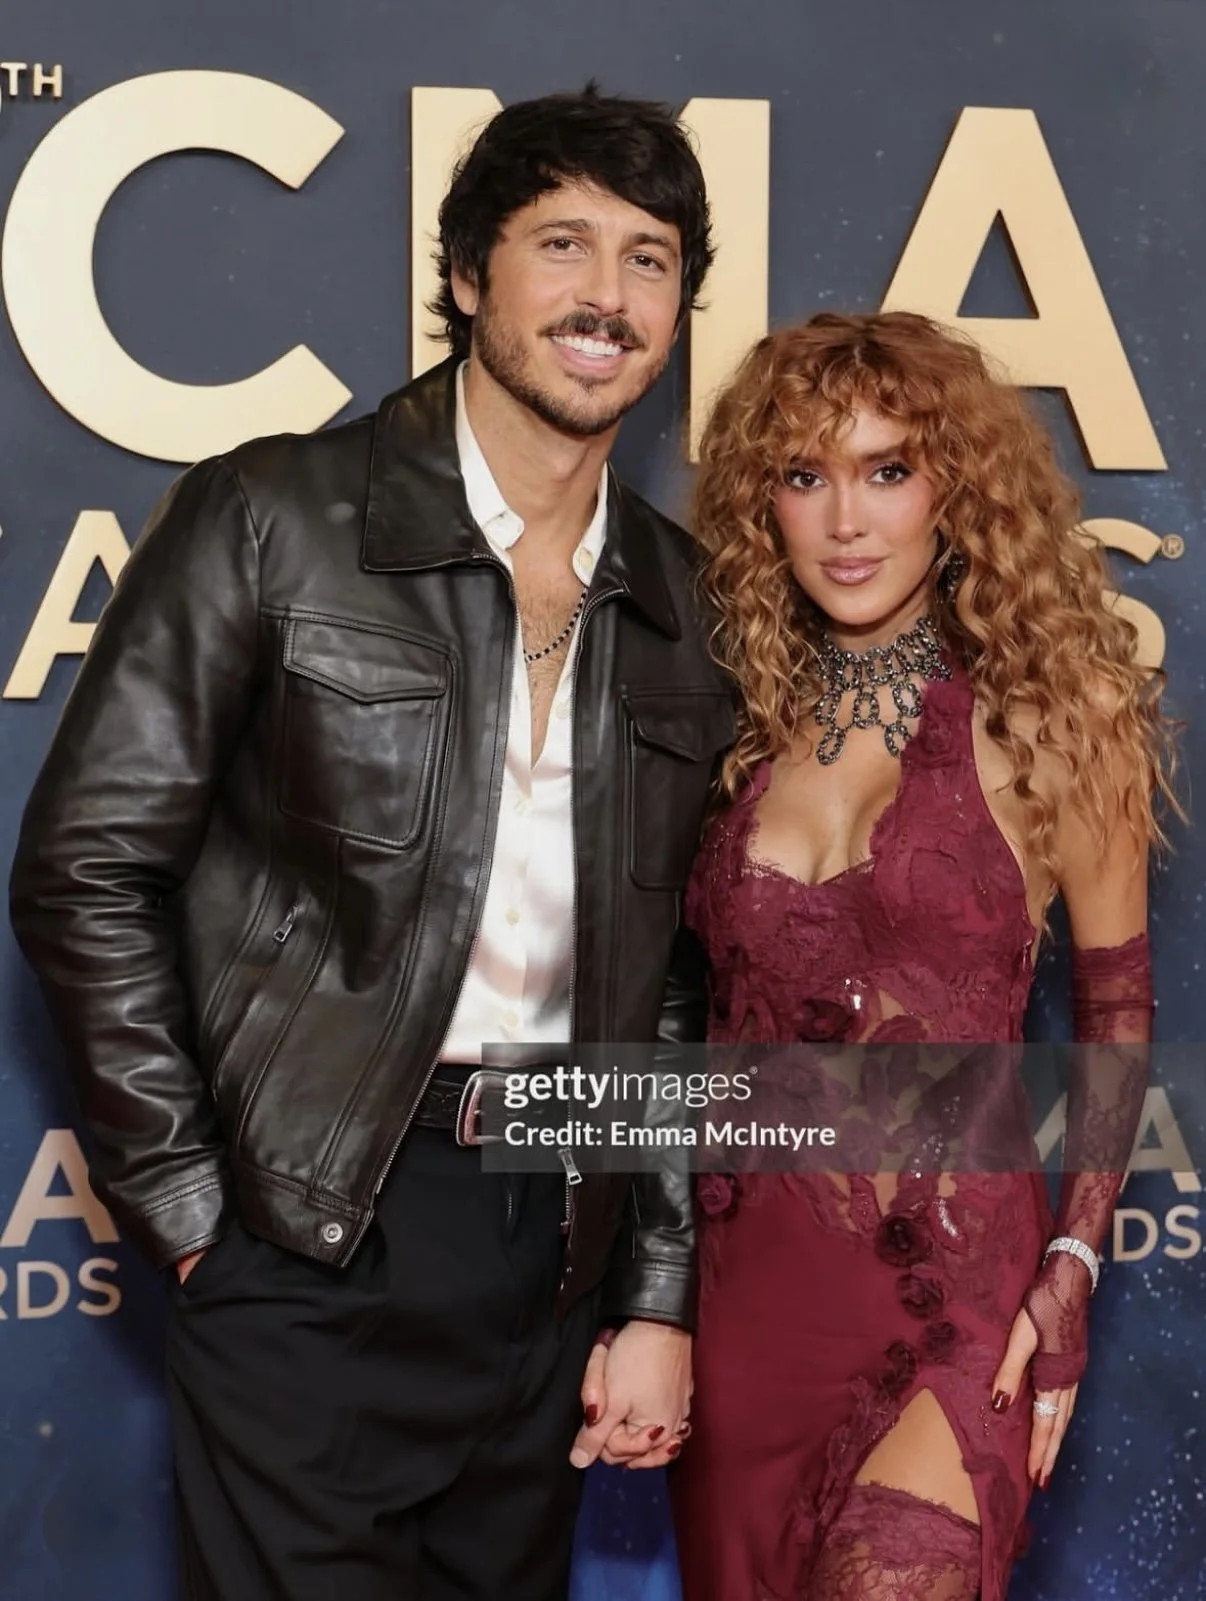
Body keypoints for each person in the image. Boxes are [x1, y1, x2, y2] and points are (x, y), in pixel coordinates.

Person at [9, 86, 734, 1601]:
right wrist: (200, 1220)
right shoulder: (274, 517)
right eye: (563, 245)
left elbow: (674, 980)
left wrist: (650, 1286)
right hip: (311, 1230)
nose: (607, 296)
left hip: (549, 1250)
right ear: (469, 275)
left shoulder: (685, 601)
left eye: (650, 258)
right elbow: (85, 866)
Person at [669, 312, 1175, 1601]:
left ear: (954, 487)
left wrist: (1073, 1266)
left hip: (956, 1301)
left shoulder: (1057, 718)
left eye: (888, 469)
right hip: (744, 1310)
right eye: (805, 475)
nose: (847, 519)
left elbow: (1117, 1010)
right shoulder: (726, 734)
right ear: (760, 506)